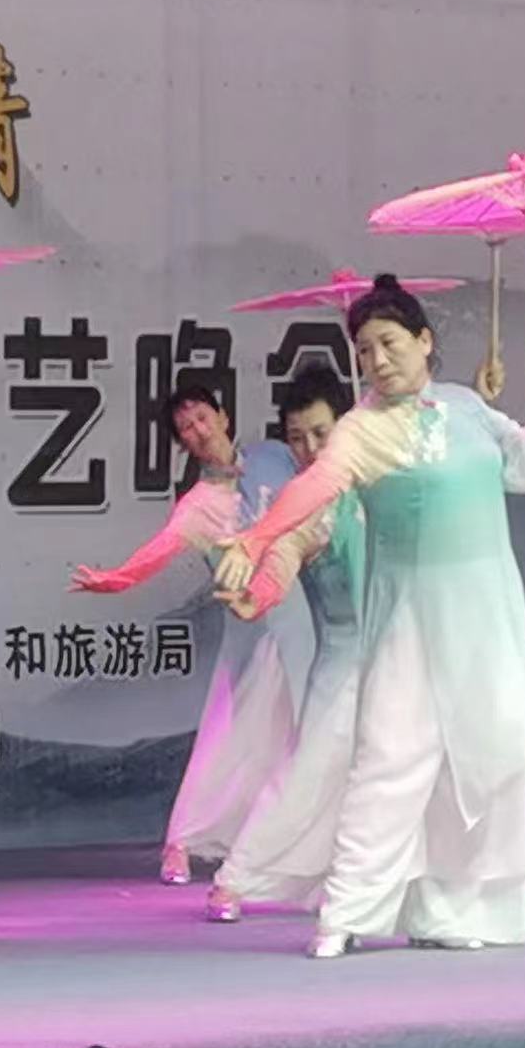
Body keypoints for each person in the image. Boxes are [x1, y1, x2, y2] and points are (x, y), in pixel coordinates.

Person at [215, 273, 525, 958]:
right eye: (364, 350)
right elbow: (315, 488)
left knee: (491, 752)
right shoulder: (362, 427)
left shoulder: (467, 407)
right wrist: (253, 540)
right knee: (390, 761)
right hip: (408, 619)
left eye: (388, 343)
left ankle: (460, 912)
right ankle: (344, 913)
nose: (376, 360)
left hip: (482, 613)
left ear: (424, 341)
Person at [70, 385, 314, 884]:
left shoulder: (274, 456)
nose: (198, 431)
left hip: (300, 616)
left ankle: (276, 841)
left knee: (297, 737)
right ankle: (182, 842)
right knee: (228, 739)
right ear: (182, 443)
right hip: (252, 629)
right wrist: (116, 579)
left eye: (202, 418)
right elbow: (160, 548)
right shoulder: (199, 504)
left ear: (223, 416)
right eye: (186, 428)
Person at [200, 360, 365, 922]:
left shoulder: (376, 482)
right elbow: (284, 557)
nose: (310, 449)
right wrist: (258, 593)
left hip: (395, 649)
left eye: (321, 433)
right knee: (307, 767)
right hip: (342, 657)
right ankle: (236, 877)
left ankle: (369, 883)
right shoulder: (301, 505)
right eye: (297, 439)